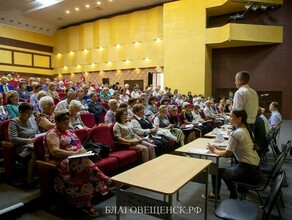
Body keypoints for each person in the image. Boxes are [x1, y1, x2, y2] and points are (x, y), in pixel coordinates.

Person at [45, 110, 111, 217]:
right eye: (64, 123)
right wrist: (75, 153)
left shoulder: (70, 131)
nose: (67, 125)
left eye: (68, 122)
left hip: (78, 159)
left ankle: (87, 204)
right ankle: (103, 178)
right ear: (56, 122)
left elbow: (79, 145)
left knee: (84, 165)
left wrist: (84, 152)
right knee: (82, 162)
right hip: (62, 161)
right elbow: (55, 152)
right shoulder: (52, 134)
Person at [207, 109, 260, 199]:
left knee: (216, 172)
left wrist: (213, 150)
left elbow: (227, 154)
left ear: (239, 119)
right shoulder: (247, 130)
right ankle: (234, 195)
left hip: (247, 170)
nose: (229, 118)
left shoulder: (236, 133)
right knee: (227, 171)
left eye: (231, 116)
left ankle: (215, 195)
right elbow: (233, 149)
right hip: (255, 168)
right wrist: (218, 147)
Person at [8, 103, 40, 186]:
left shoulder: (32, 120)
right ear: (20, 112)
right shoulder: (14, 122)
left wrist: (37, 139)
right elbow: (13, 139)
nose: (29, 116)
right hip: (22, 146)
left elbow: (38, 133)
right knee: (35, 153)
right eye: (26, 113)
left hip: (33, 143)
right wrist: (29, 141)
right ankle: (30, 179)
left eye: (30, 113)